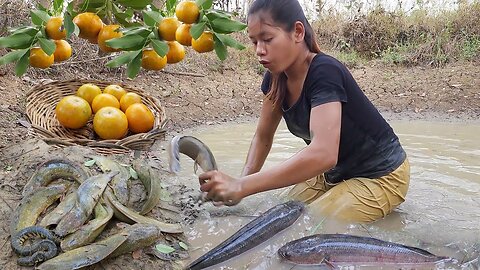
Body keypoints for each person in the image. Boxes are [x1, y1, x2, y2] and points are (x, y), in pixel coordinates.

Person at [198, 0, 409, 223]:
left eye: (267, 39)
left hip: (381, 174)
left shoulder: (325, 72)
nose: (259, 51)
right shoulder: (274, 79)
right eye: (254, 42)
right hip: (333, 174)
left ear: (297, 32)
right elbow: (263, 137)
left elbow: (324, 154)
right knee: (274, 215)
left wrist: (242, 186)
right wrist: (239, 187)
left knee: (307, 228)